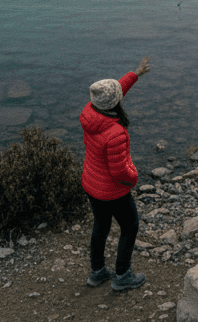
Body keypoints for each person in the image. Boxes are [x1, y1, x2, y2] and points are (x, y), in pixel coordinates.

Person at [80, 56, 151, 291]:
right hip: (112, 191)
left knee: (101, 226)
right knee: (130, 227)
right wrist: (134, 178)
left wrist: (136, 74)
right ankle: (122, 276)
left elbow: (112, 95)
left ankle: (97, 272)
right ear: (114, 104)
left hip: (92, 184)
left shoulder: (90, 113)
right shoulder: (115, 133)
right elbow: (120, 171)